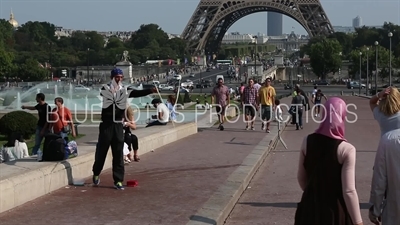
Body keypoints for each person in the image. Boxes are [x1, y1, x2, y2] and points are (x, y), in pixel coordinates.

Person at [295, 97, 363, 225]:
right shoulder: (347, 149)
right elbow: (348, 191)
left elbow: (301, 178)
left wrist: (314, 195)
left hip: (309, 210)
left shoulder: (307, 141)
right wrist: (358, 221)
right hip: (335, 212)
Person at [92, 68, 156, 190]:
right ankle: (96, 172)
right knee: (102, 152)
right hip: (106, 125)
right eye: (117, 77)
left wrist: (149, 91)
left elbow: (136, 93)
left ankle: (118, 180)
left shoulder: (124, 89)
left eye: (121, 77)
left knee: (118, 153)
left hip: (118, 125)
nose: (119, 79)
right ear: (112, 77)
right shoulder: (106, 88)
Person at [368, 86, 400, 225]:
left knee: (383, 183)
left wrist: (379, 95)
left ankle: (380, 208)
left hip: (386, 149)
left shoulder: (380, 114)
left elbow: (371, 103)